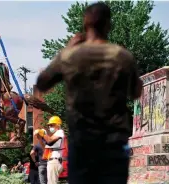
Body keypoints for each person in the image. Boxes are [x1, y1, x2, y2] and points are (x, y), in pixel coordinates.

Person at [36, 2, 143, 184]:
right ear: (108, 24)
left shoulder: (71, 56)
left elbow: (42, 83)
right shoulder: (122, 57)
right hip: (114, 143)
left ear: (85, 23)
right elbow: (136, 92)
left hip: (83, 142)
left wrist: (67, 49)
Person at [34, 116, 65, 184]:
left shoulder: (60, 132)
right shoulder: (55, 135)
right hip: (53, 161)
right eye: (49, 125)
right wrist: (40, 139)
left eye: (51, 125)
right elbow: (46, 148)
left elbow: (49, 141)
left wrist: (44, 134)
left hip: (54, 161)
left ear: (58, 124)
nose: (50, 127)